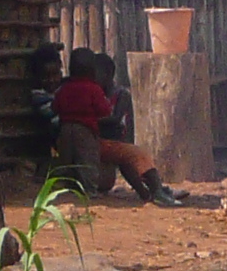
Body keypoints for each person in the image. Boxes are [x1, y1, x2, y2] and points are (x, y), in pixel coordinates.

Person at [53, 46, 173, 203]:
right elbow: (107, 114)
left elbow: (55, 107)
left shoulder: (118, 94)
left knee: (125, 158)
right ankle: (155, 191)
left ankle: (150, 192)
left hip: (78, 134)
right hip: (93, 137)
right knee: (125, 156)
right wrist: (90, 117)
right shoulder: (93, 89)